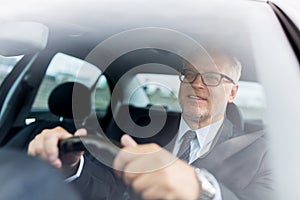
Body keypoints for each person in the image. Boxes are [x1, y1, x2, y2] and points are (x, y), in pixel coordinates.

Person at [27, 49, 273, 200]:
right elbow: (108, 188)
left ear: (233, 93)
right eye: (189, 73)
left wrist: (203, 192)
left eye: (211, 77)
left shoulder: (263, 155)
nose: (197, 83)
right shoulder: (139, 129)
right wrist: (71, 166)